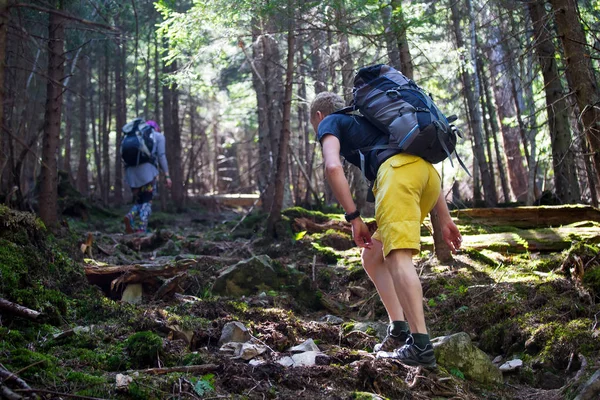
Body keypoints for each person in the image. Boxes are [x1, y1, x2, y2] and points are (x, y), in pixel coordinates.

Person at [310, 92, 462, 367]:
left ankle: (421, 347)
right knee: (373, 255)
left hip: (398, 176)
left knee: (397, 256)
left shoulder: (330, 122)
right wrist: (445, 217)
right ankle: (400, 329)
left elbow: (332, 167)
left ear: (319, 117)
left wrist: (354, 217)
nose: (318, 131)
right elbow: (414, 161)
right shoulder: (372, 121)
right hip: (427, 176)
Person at [123, 119, 172, 234]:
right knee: (147, 200)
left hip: (132, 172)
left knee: (140, 200)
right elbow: (161, 156)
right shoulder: (158, 136)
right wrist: (167, 175)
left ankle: (130, 216)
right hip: (148, 173)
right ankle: (141, 228)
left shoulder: (133, 136)